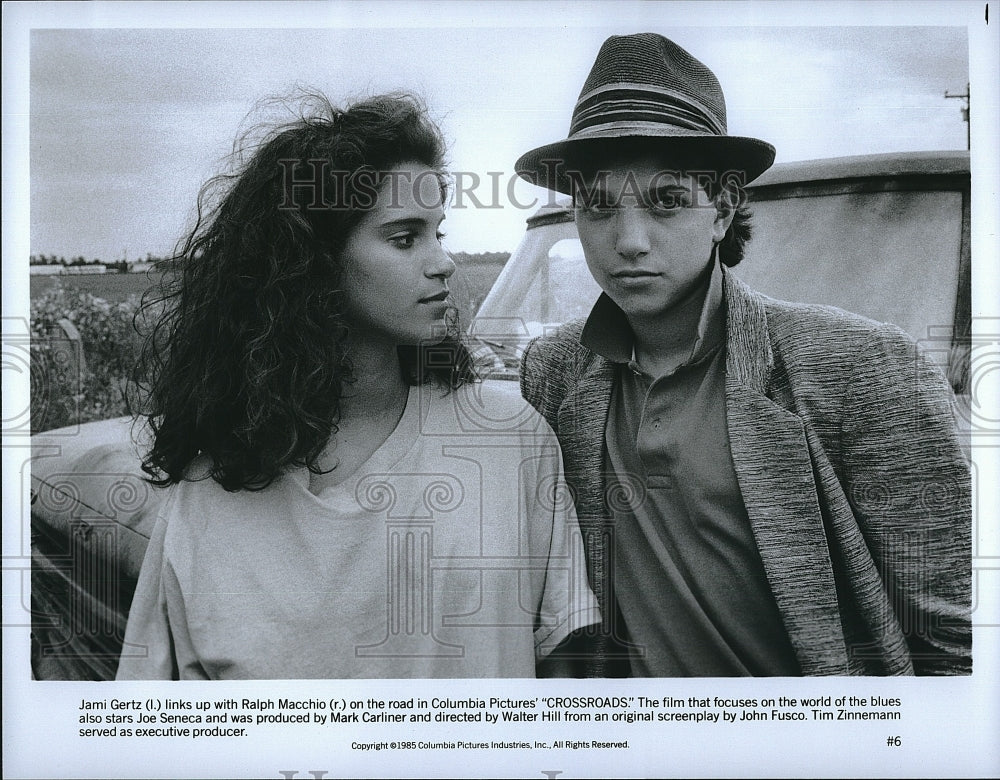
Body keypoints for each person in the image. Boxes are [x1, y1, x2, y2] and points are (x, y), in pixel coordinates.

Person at [515, 33, 971, 676]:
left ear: (723, 208)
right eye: (597, 205)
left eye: (667, 200)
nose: (630, 240)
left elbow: (953, 643)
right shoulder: (554, 372)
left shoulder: (867, 369)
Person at [116, 92, 598, 680]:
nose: (443, 262)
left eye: (437, 233)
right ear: (310, 261)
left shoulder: (511, 439)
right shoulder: (205, 492)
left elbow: (571, 669)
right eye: (404, 237)